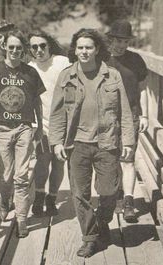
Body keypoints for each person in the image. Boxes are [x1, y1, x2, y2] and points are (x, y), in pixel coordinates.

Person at [49, 28, 135, 257]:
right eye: (80, 47)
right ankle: (90, 238)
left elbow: (124, 110)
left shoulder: (112, 75)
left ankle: (102, 220)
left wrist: (128, 141)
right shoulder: (66, 76)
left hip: (107, 142)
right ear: (75, 50)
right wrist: (56, 142)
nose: (84, 51)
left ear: (97, 49)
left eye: (88, 47)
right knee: (80, 194)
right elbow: (57, 113)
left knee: (109, 191)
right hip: (76, 144)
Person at [0, 29, 46, 238]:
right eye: (11, 47)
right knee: (7, 173)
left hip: (24, 127)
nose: (15, 51)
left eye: (19, 48)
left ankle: (21, 219)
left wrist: (40, 126)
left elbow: (36, 101)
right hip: (1, 128)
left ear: (23, 49)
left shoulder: (30, 73)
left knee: (21, 176)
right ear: (4, 48)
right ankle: (4, 199)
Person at [106, 19, 148, 221]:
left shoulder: (136, 60)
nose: (123, 45)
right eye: (119, 41)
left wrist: (145, 114)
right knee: (110, 159)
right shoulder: (101, 59)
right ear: (111, 39)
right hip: (107, 116)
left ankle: (129, 202)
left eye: (126, 41)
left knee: (128, 158)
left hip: (130, 114)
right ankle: (117, 197)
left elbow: (143, 90)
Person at [28, 30, 70, 216]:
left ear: (49, 45)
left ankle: (52, 198)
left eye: (42, 45)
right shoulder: (29, 67)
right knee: (43, 160)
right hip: (40, 122)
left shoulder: (62, 62)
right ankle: (39, 196)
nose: (39, 50)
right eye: (34, 47)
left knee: (58, 162)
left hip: (63, 121)